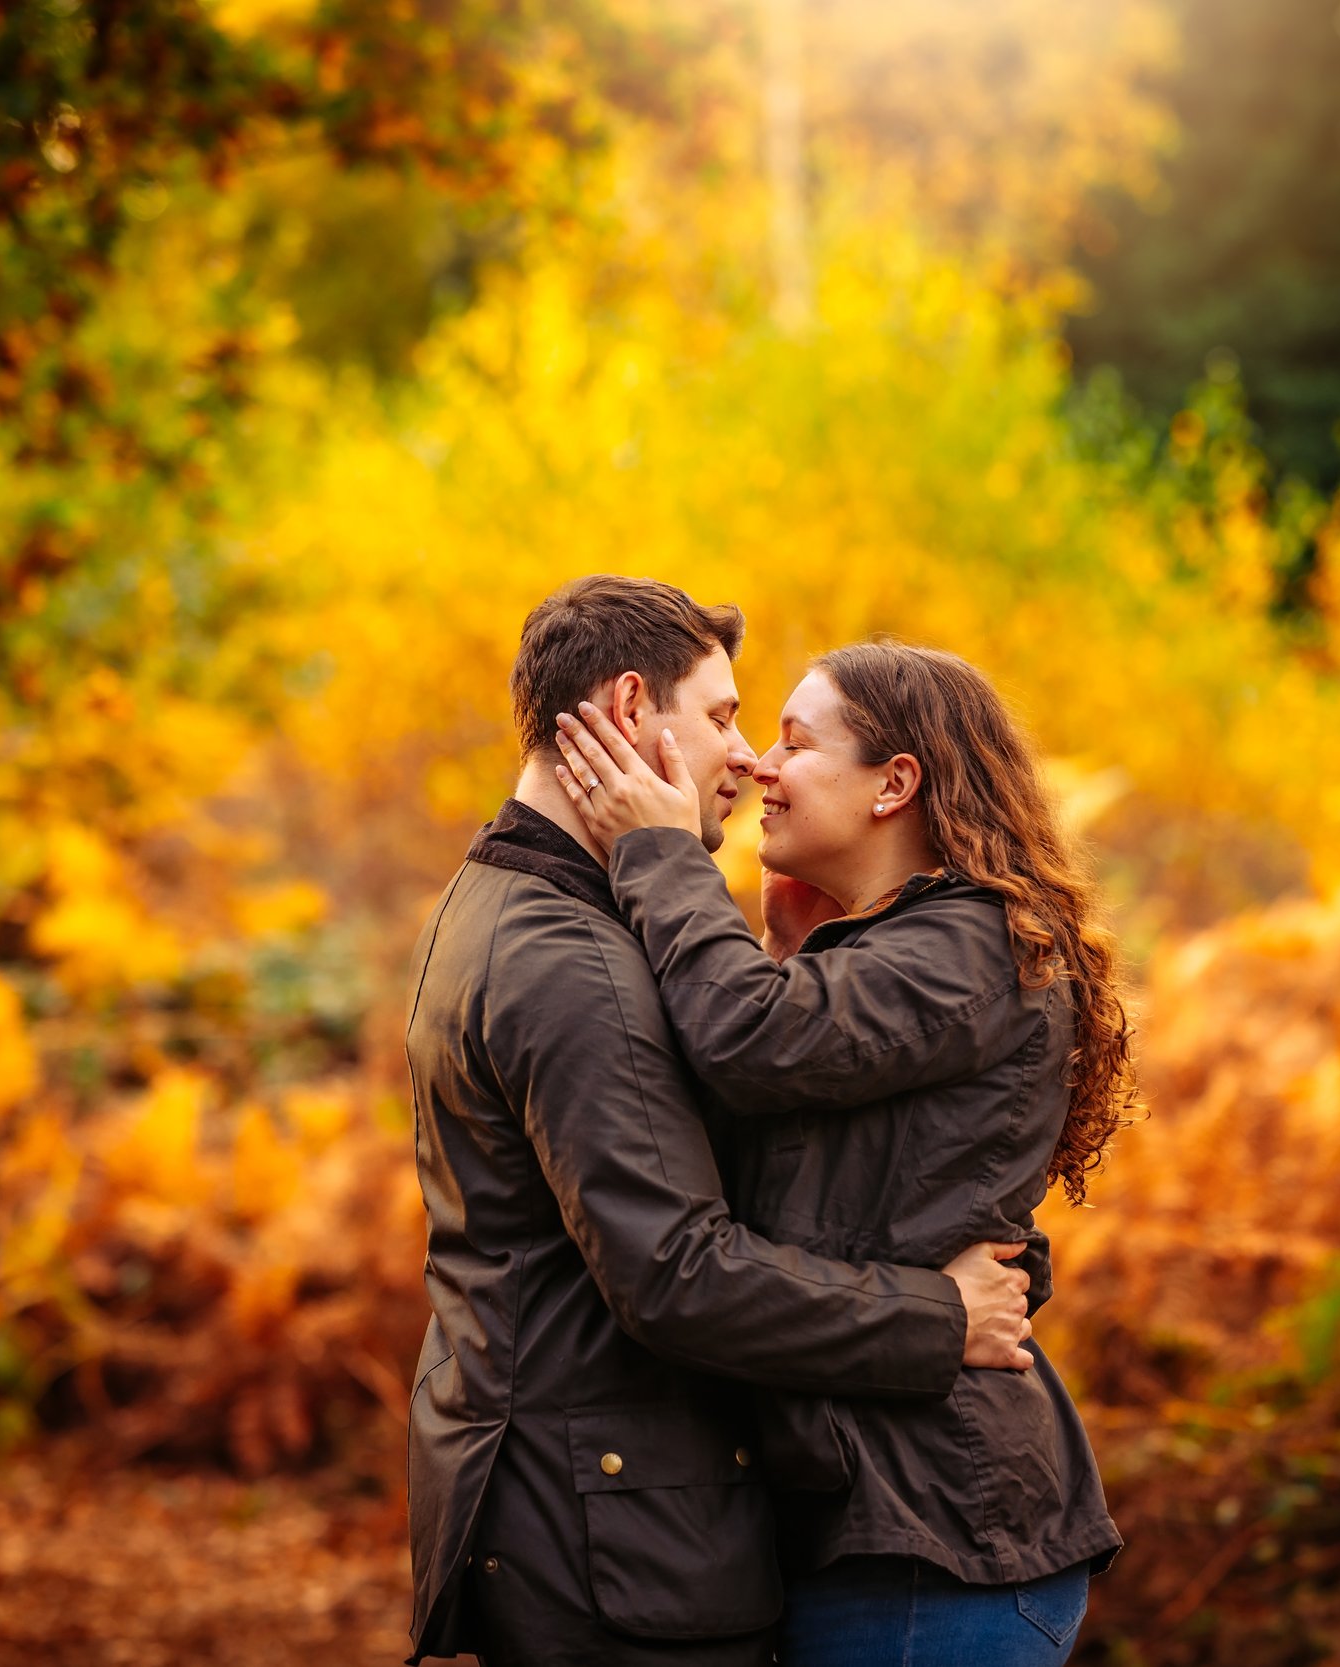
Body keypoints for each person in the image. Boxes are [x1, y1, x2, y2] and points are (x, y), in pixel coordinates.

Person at [403, 579, 1041, 1667]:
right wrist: (937, 1314)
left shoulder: (516, 903)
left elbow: (855, 1169)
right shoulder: (573, 961)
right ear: (627, 707)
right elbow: (676, 1270)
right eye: (723, 717)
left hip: (615, 1511)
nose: (744, 758)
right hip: (614, 1536)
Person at [552, 638, 1132, 1667]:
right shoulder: (901, 949)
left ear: (893, 784)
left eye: (794, 741)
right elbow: (823, 1177)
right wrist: (789, 955)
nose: (760, 767)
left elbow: (750, 1042)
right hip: (870, 1523)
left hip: (938, 1536)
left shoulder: (975, 944)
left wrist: (658, 853)